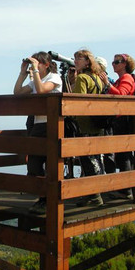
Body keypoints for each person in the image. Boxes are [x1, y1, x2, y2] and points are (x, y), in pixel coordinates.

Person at [14, 52, 62, 214]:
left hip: (52, 124)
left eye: (38, 63)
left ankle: (49, 199)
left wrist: (34, 70)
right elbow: (18, 93)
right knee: (34, 163)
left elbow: (42, 91)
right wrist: (22, 72)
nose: (36, 65)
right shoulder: (35, 80)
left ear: (46, 64)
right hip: (37, 125)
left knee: (50, 164)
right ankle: (43, 198)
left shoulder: (54, 77)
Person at [99, 53, 135, 200]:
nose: (114, 64)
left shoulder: (127, 78)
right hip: (120, 120)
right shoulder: (122, 78)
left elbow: (122, 94)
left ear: (125, 64)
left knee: (124, 155)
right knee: (122, 154)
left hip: (123, 120)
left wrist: (108, 84)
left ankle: (126, 190)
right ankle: (125, 188)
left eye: (117, 62)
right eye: (113, 62)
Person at [72, 49, 105, 207]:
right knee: (95, 159)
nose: (75, 61)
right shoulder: (98, 79)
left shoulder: (83, 78)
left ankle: (94, 195)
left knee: (87, 160)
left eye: (79, 58)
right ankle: (92, 193)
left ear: (87, 61)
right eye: (75, 58)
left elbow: (77, 102)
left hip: (84, 124)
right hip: (97, 124)